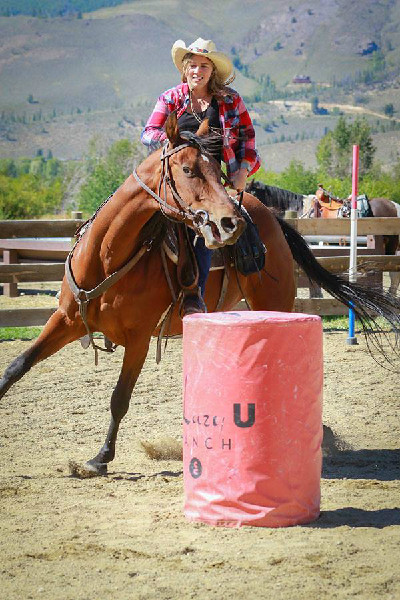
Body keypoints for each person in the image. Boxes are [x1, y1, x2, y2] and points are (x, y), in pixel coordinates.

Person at [141, 37, 260, 315]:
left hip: (210, 184)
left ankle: (195, 297)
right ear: (185, 69)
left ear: (212, 70)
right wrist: (177, 141)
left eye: (204, 65)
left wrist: (243, 169)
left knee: (208, 227)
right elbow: (148, 133)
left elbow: (249, 140)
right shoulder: (171, 98)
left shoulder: (230, 101)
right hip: (172, 178)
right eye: (192, 65)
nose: (197, 71)